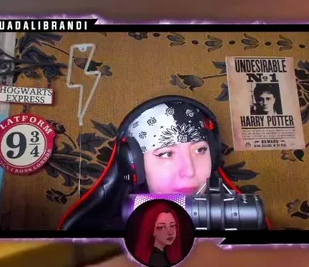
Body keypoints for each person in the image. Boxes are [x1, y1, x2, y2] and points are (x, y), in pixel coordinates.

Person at [58, 95, 250, 233]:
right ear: (132, 163)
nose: (189, 171)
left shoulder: (242, 221)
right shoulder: (98, 237)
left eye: (200, 150)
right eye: (166, 153)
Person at [127, 200, 191, 267]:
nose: (170, 232)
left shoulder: (166, 254)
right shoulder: (157, 260)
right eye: (161, 227)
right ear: (151, 230)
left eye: (172, 226)